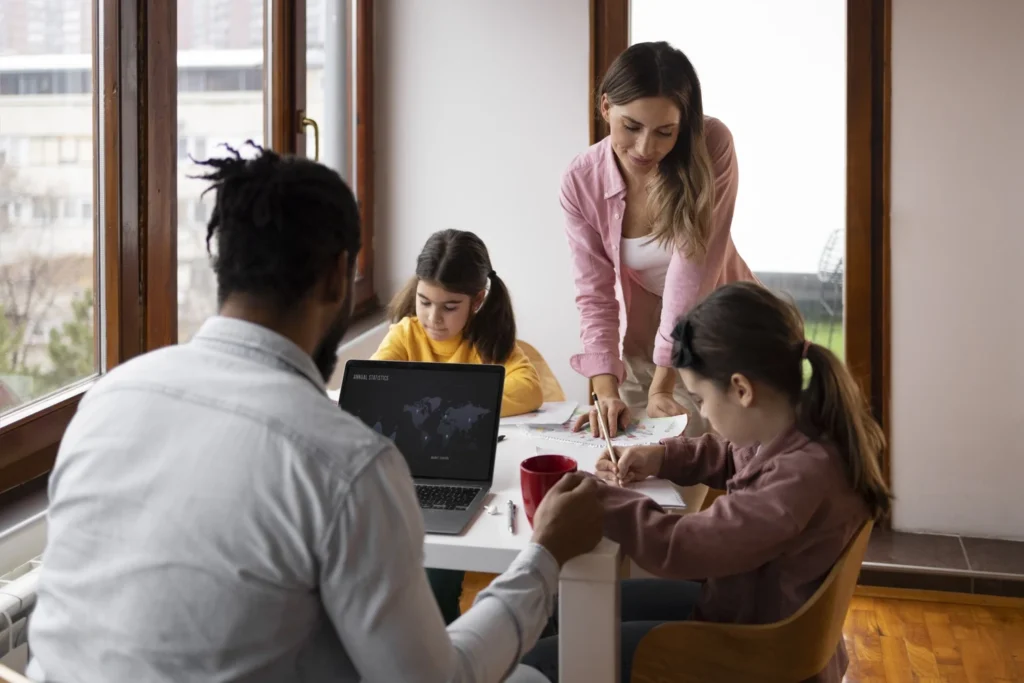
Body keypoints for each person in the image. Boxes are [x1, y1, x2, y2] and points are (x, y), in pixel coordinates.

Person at [27, 145, 602, 683]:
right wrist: (545, 554)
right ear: (338, 277)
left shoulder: (108, 399)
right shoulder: (346, 463)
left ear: (222, 265)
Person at [522, 282, 892, 683]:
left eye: (699, 399)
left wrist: (599, 499)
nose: (702, 410)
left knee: (545, 655)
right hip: (741, 611)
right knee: (558, 609)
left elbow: (681, 547)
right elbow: (733, 454)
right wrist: (662, 457)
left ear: (740, 389)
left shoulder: (802, 476)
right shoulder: (798, 430)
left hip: (750, 650)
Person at [562, 41, 756, 438]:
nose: (645, 148)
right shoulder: (581, 181)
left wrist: (664, 382)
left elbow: (693, 273)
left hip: (723, 341)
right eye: (630, 127)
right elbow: (594, 293)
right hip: (645, 346)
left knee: (714, 478)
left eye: (665, 132)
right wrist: (605, 391)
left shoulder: (712, 146)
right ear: (605, 108)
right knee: (631, 476)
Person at [372, 228, 544, 626]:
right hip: (413, 471)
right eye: (424, 302)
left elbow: (530, 389)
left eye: (450, 306)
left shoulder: (488, 341)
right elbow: (376, 385)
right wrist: (467, 401)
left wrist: (431, 400)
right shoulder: (405, 334)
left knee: (460, 545)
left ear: (478, 301)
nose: (433, 318)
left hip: (477, 474)